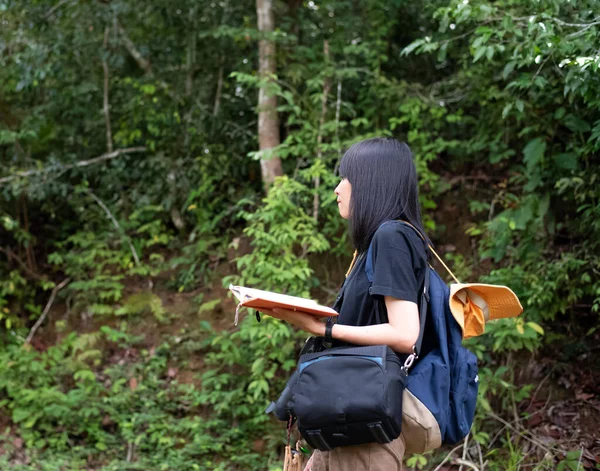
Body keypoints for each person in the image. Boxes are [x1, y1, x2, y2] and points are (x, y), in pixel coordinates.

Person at [263, 137, 429, 471]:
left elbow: (405, 333)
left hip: (364, 437)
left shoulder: (391, 237)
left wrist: (321, 326)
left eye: (345, 178)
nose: (337, 189)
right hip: (346, 423)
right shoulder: (376, 244)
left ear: (370, 183)